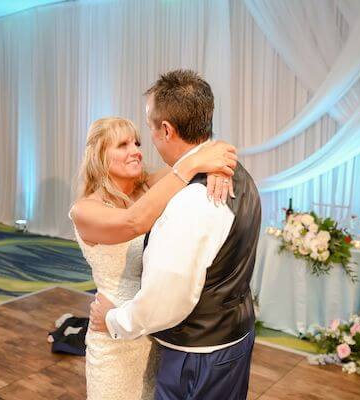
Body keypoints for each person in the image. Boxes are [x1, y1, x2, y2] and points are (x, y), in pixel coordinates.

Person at [89, 70, 261, 400]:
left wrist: (112, 320)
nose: (144, 143)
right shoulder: (235, 171)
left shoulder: (192, 201)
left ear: (166, 129)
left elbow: (165, 301)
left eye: (149, 129)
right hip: (233, 337)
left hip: (198, 356)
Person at [70, 115, 238, 399]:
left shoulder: (147, 188)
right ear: (99, 155)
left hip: (154, 328)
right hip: (112, 332)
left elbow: (212, 149)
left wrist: (218, 170)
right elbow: (133, 222)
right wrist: (198, 165)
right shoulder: (84, 209)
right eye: (122, 144)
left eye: (136, 142)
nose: (136, 150)